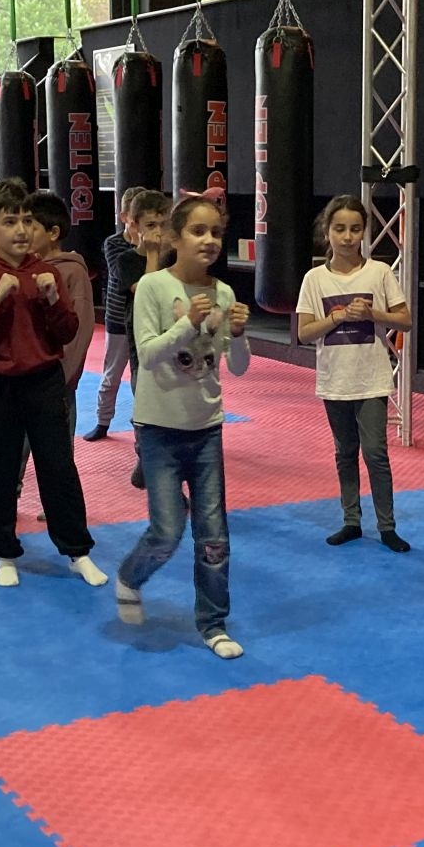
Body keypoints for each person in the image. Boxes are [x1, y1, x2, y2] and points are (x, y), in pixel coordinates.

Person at [0, 178, 106, 591]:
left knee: (58, 466)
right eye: (9, 221)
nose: (20, 230)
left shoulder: (47, 272)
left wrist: (53, 300)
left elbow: (67, 331)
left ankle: (78, 552)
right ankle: (5, 552)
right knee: (0, 469)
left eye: (26, 221)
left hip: (43, 381)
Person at [113, 194, 252, 660]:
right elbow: (149, 354)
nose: (209, 240)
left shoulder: (224, 292)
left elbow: (237, 367)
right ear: (175, 238)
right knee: (168, 530)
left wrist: (239, 335)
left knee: (214, 535)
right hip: (159, 429)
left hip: (207, 428)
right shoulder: (154, 287)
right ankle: (130, 576)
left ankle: (213, 622)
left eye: (215, 232)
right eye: (198, 231)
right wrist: (187, 324)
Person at [295, 194, 414, 552]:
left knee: (375, 453)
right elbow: (304, 333)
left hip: (372, 378)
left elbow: (405, 320)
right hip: (335, 380)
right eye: (340, 229)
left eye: (355, 229)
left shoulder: (379, 272)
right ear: (327, 232)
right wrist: (336, 318)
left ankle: (387, 526)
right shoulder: (315, 279)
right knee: (345, 453)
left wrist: (372, 314)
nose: (347, 237)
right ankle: (351, 520)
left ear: (364, 232)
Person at [82, 187, 171, 445]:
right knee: (111, 376)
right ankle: (103, 420)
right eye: (149, 224)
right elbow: (143, 290)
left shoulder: (165, 250)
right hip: (120, 319)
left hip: (153, 326)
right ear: (128, 220)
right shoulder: (116, 246)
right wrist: (150, 251)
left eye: (160, 224)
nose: (156, 230)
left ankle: (146, 437)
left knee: (148, 381)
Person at [27, 189, 97, 430]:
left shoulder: (73, 272)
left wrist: (61, 378)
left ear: (53, 233)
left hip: (57, 383)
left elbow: (80, 332)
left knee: (56, 449)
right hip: (24, 379)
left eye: (31, 225)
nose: (23, 232)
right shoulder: (25, 267)